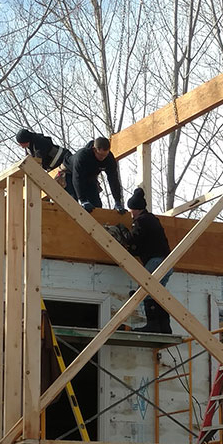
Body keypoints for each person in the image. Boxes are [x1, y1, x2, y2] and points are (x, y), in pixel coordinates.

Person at [125, 186, 172, 334]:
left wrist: (126, 239)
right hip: (167, 262)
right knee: (158, 293)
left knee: (146, 290)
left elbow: (136, 239)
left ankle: (153, 325)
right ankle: (164, 326)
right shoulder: (152, 220)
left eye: (131, 210)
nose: (131, 214)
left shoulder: (141, 221)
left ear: (136, 209)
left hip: (155, 261)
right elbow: (147, 243)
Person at [70, 136, 126, 214]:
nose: (103, 158)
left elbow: (113, 179)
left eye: (105, 155)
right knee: (72, 204)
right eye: (100, 155)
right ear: (94, 149)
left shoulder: (109, 158)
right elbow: (77, 178)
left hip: (90, 178)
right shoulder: (82, 156)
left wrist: (117, 201)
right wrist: (83, 200)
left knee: (96, 206)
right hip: (70, 174)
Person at [15, 127, 74, 196]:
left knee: (69, 189)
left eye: (21, 143)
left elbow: (38, 161)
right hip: (54, 167)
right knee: (62, 190)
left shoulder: (39, 141)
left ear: (25, 141)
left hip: (63, 161)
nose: (21, 146)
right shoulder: (29, 148)